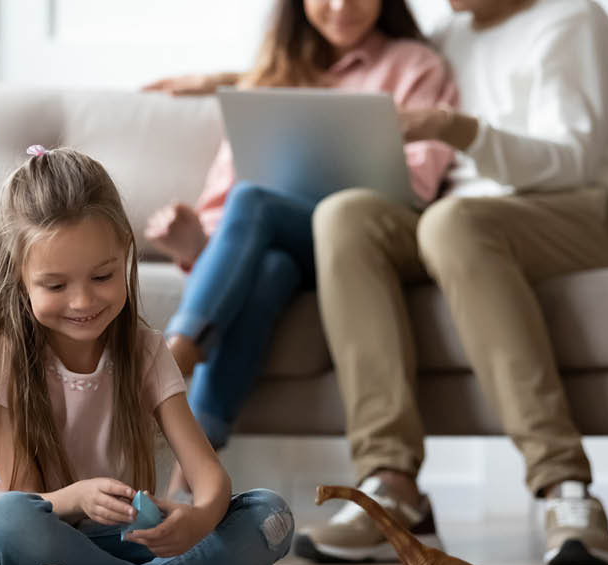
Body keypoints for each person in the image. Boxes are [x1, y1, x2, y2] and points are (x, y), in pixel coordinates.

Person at [301, 0, 608, 565]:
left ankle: (565, 486)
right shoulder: (448, 35)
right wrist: (220, 83)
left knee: (453, 222)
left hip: (587, 213)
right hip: (465, 222)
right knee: (345, 215)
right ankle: (390, 484)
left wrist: (452, 128)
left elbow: (573, 162)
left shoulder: (571, 19)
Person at [0, 146, 294, 565]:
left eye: (102, 276)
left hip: (97, 549)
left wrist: (199, 517)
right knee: (6, 522)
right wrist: (78, 497)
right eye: (55, 286)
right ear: (17, 279)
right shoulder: (0, 361)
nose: (83, 301)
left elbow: (210, 478)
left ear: (126, 252)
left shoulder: (145, 351)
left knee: (269, 514)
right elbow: (12, 505)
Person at [142, 0, 458, 479]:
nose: (341, 6)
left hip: (367, 241)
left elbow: (417, 182)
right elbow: (221, 200)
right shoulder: (272, 78)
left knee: (255, 202)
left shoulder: (415, 66)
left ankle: (172, 359)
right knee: (270, 268)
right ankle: (192, 476)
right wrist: (195, 239)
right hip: (283, 251)